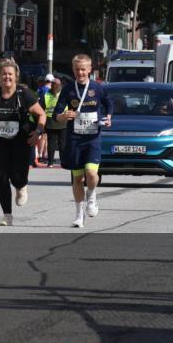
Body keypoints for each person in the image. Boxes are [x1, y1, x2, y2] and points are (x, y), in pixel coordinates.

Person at [0, 60, 46, 226]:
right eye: (4, 74)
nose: (7, 77)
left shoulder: (24, 93)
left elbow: (42, 115)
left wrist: (37, 133)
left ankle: (21, 186)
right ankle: (7, 215)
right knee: (1, 177)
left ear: (15, 76)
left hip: (21, 140)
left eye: (10, 74)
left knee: (17, 176)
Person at [53, 54, 113, 229]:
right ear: (73, 70)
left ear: (89, 70)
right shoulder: (68, 89)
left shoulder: (98, 88)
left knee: (91, 174)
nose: (80, 72)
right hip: (74, 139)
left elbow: (109, 103)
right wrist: (62, 115)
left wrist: (108, 117)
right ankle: (79, 214)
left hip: (93, 137)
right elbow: (56, 113)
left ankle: (92, 195)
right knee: (77, 179)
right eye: (77, 69)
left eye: (83, 69)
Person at [42, 76, 66, 167]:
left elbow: (42, 108)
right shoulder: (63, 93)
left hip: (54, 121)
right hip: (59, 121)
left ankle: (51, 162)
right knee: (61, 143)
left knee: (52, 143)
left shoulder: (46, 94)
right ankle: (62, 161)